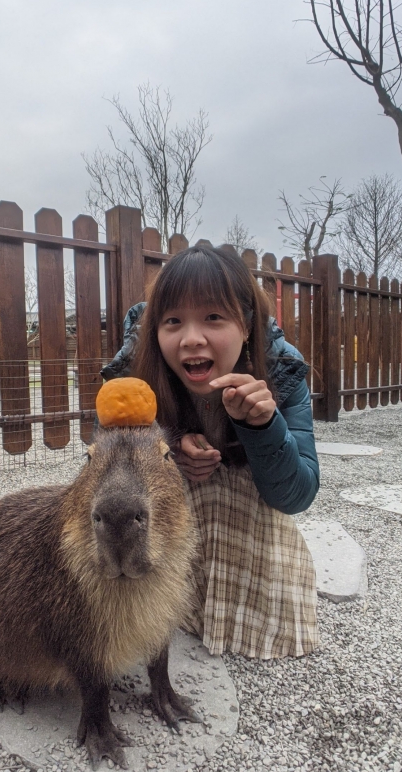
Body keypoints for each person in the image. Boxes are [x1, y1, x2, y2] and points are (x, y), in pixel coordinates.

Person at [101, 245, 319, 660]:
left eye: (213, 318)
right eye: (173, 321)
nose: (192, 338)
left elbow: (297, 495)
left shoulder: (283, 372)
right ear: (155, 331)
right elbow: (107, 474)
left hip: (255, 530)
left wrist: (262, 428)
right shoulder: (136, 373)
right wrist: (167, 445)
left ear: (247, 324)